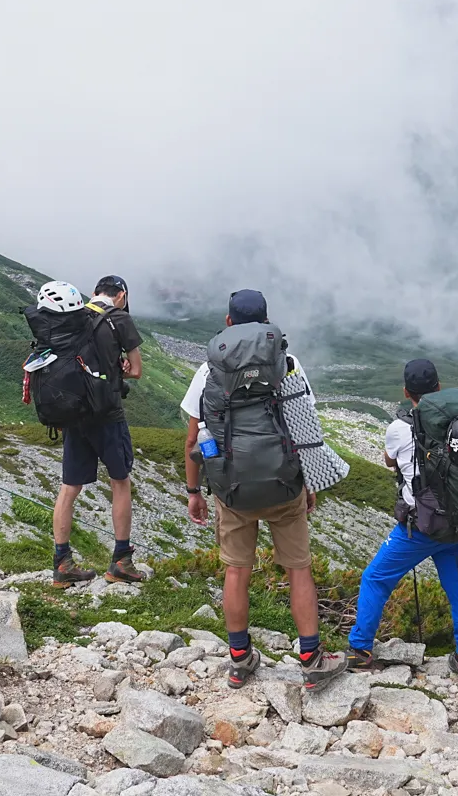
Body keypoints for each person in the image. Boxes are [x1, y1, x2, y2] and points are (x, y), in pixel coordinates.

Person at [182, 289, 345, 690]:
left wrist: (194, 491)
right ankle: (311, 658)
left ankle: (239, 659)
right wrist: (308, 483)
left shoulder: (208, 371)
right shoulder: (286, 364)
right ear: (267, 322)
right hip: (284, 484)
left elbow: (193, 441)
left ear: (228, 322)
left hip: (232, 488)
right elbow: (303, 428)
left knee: (236, 571)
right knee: (298, 569)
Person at [345, 358, 458, 683]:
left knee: (376, 579)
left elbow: (391, 462)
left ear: (407, 392)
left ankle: (360, 649)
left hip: (418, 527)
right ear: (438, 387)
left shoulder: (398, 429)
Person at [51, 275, 146, 586]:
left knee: (70, 488)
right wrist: (118, 370)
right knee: (120, 482)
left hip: (74, 413)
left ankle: (62, 563)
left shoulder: (74, 316)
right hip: (107, 413)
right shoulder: (119, 319)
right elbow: (136, 371)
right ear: (121, 296)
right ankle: (121, 560)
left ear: (94, 293)